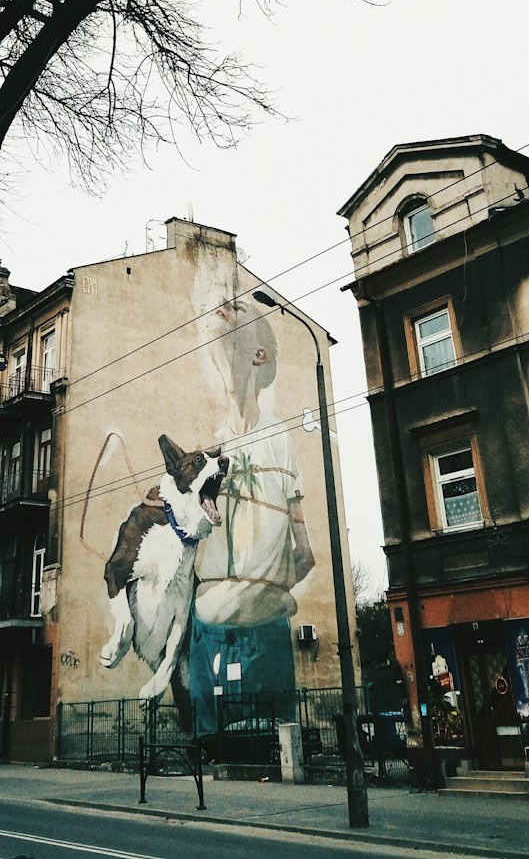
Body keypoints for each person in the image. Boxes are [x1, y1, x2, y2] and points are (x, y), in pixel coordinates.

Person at [189, 290, 314, 732]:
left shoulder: (279, 439)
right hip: (206, 635)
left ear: (259, 355)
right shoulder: (212, 445)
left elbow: (305, 553)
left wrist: (259, 588)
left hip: (265, 634)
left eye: (237, 309)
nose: (222, 306)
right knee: (213, 745)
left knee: (269, 739)